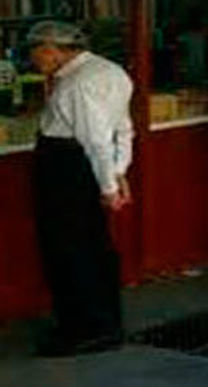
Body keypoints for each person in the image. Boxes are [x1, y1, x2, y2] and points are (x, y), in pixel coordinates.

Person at [27, 21, 133, 356]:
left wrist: (109, 187)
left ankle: (82, 329)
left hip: (65, 166)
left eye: (35, 51)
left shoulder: (76, 84)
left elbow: (95, 139)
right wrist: (118, 170)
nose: (33, 60)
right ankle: (105, 322)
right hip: (85, 167)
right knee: (94, 245)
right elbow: (123, 128)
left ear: (51, 49)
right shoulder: (111, 71)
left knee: (65, 248)